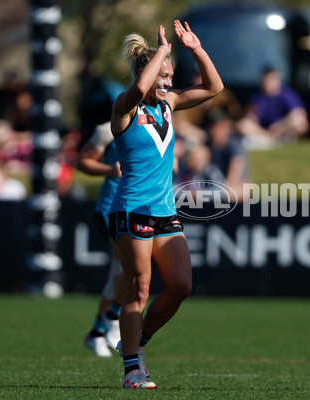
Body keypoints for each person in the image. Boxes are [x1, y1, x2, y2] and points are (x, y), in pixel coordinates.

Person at [108, 21, 223, 389]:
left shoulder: (170, 105)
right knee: (139, 289)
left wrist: (195, 49)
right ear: (147, 71)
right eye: (162, 75)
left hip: (164, 212)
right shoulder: (124, 108)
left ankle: (137, 342)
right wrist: (162, 52)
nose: (166, 82)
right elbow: (141, 86)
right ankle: (131, 371)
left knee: (180, 286)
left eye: (170, 76)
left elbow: (214, 87)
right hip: (132, 209)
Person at [77, 121, 126, 358]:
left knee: (122, 271)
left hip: (145, 205)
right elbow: (83, 161)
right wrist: (110, 170)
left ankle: (99, 329)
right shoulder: (107, 129)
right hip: (113, 207)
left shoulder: (163, 121)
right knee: (128, 268)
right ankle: (112, 321)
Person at [236, 67, 309, 149]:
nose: (268, 83)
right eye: (266, 80)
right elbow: (250, 118)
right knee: (242, 125)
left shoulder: (288, 94)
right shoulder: (257, 98)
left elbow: (299, 114)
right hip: (264, 131)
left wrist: (280, 126)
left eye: (271, 80)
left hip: (284, 128)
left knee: (299, 122)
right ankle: (271, 139)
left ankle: (275, 139)